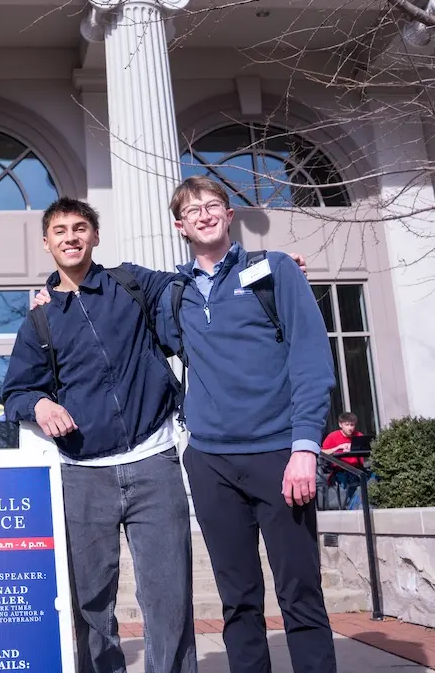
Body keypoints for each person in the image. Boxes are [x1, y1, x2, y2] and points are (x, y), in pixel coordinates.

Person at [2, 197, 195, 673]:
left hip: (154, 462)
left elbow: (195, 282)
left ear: (95, 236)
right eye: (61, 230)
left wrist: (264, 270)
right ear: (46, 243)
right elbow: (15, 393)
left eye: (81, 227)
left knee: (169, 599)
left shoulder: (131, 285)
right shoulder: (41, 319)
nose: (71, 236)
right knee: (90, 606)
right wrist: (41, 403)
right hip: (81, 476)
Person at [158, 176, 337, 673]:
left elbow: (311, 363)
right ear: (180, 225)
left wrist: (305, 447)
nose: (204, 214)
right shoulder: (173, 294)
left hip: (280, 454)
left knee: (300, 592)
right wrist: (49, 294)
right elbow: (115, 310)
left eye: (212, 205)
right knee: (237, 600)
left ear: (229, 214)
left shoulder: (275, 270)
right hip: (211, 462)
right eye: (192, 210)